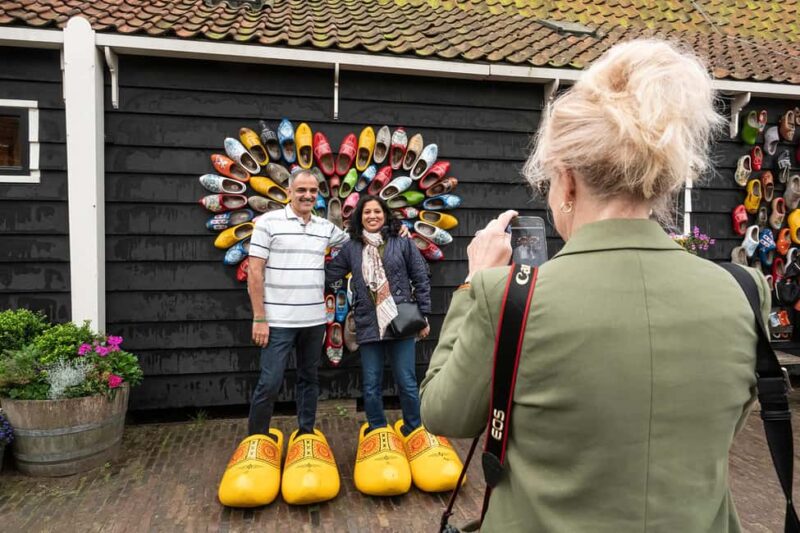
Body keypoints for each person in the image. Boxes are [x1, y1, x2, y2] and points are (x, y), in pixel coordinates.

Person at [420, 39, 768, 532]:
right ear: (663, 183)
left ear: (566, 182)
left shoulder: (506, 296)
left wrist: (474, 280)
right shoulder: (743, 291)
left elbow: (442, 413)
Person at [325, 195, 462, 495]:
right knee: (372, 383)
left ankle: (413, 430)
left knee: (407, 381)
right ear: (359, 217)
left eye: (377, 211)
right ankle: (377, 430)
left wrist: (424, 314)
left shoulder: (403, 242)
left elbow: (421, 277)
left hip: (400, 319)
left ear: (385, 216)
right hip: (368, 322)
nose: (372, 216)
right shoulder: (351, 247)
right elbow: (331, 273)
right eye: (367, 212)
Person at [236, 169, 348, 506]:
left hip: (314, 320)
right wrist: (259, 316)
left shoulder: (324, 228)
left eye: (313, 191)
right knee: (269, 382)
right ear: (289, 190)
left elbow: (355, 238)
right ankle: (256, 444)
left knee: (308, 378)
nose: (307, 195)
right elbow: (254, 272)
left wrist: (392, 230)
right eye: (301, 190)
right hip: (278, 321)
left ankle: (306, 434)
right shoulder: (268, 222)